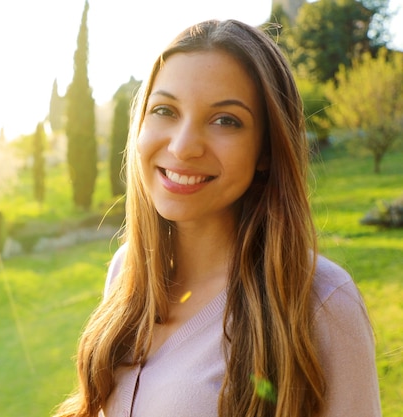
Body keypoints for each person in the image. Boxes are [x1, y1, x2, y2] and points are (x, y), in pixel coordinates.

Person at [53, 19, 381, 417]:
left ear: (266, 151)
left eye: (226, 120)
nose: (184, 146)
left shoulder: (321, 303)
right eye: (164, 110)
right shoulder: (127, 271)